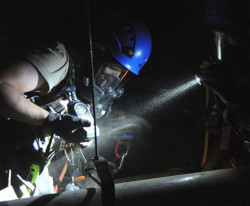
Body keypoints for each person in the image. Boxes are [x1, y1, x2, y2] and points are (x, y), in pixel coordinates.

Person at [0, 15, 152, 197]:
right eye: (113, 67)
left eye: (122, 74)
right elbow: (3, 88)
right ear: (95, 51)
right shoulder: (59, 59)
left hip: (27, 165)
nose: (114, 80)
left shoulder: (83, 88)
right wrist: (51, 120)